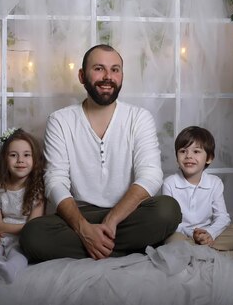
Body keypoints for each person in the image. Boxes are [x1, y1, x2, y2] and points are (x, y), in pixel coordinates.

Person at [20, 44, 180, 262]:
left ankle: (99, 244)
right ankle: (130, 247)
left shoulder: (139, 118)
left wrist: (112, 220)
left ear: (122, 75)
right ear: (81, 75)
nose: (108, 77)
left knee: (167, 210)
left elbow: (150, 176)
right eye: (99, 68)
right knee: (33, 235)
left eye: (115, 69)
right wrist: (84, 229)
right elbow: (55, 181)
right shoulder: (60, 121)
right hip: (79, 216)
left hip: (127, 214)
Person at [161, 126, 233, 257]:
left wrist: (210, 233)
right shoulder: (169, 183)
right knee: (172, 240)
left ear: (209, 158)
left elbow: (222, 217)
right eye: (183, 151)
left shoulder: (215, 183)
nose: (188, 156)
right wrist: (192, 234)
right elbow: (170, 223)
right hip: (182, 235)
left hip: (208, 235)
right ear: (176, 158)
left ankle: (199, 253)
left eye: (196, 151)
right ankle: (221, 254)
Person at [0, 128, 46, 282]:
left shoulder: (37, 191)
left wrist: (2, 227)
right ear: (5, 160)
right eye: (13, 155)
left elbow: (33, 227)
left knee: (18, 254)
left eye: (27, 155)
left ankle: (10, 269)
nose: (20, 160)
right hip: (3, 236)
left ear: (35, 160)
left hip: (25, 239)